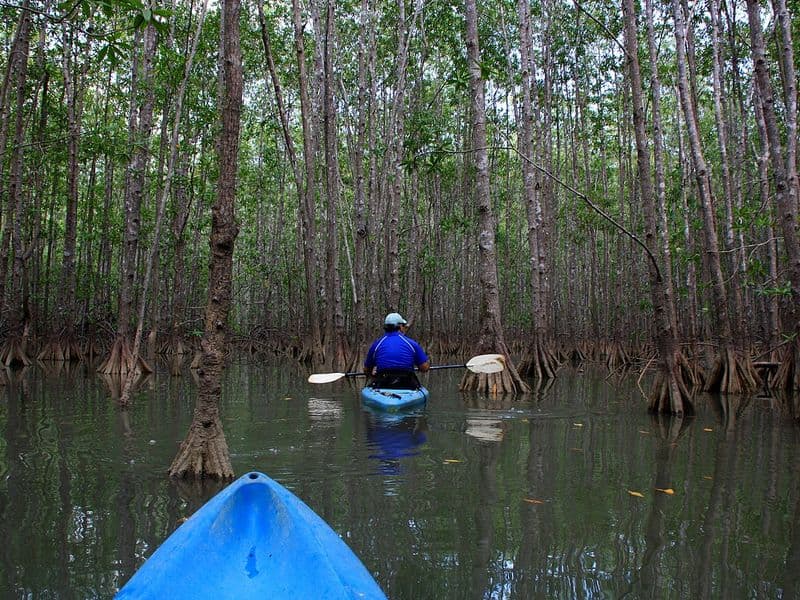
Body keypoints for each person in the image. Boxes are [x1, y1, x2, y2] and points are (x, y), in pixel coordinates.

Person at [364, 312, 430, 389]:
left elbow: (366, 370)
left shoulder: (377, 344)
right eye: (404, 325)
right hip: (407, 383)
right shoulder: (411, 343)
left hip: (383, 383)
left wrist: (372, 375)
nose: (404, 327)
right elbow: (424, 367)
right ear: (400, 327)